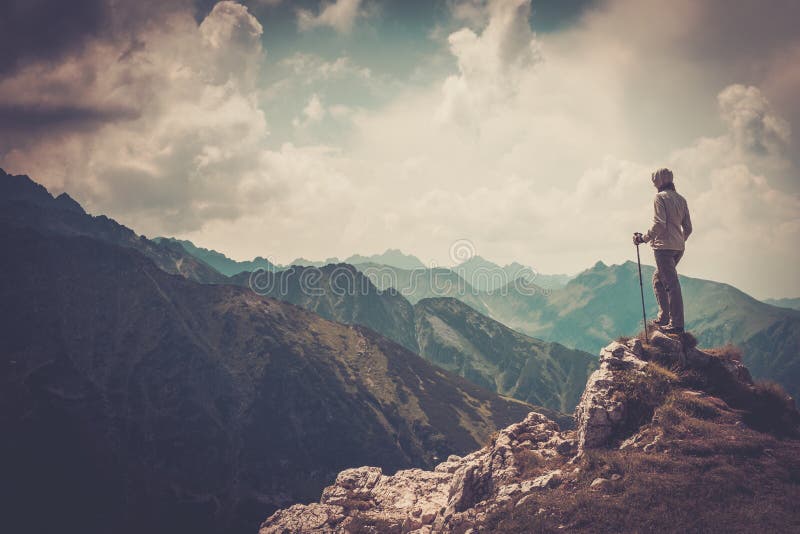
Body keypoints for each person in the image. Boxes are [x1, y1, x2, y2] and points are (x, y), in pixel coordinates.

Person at [633, 168, 692, 334]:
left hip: (663, 248)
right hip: (678, 248)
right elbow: (688, 227)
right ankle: (664, 317)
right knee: (659, 279)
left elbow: (659, 224)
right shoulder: (681, 199)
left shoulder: (659, 198)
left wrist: (643, 238)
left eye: (655, 182)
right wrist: (680, 240)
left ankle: (676, 324)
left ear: (659, 182)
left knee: (671, 284)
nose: (654, 185)